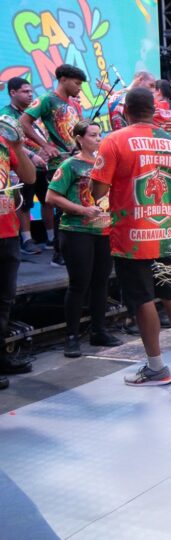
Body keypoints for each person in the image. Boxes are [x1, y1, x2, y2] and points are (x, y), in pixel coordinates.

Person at [89, 87, 171, 385]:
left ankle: (156, 367)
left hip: (132, 236)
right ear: (154, 110)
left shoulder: (114, 140)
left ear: (125, 111)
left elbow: (98, 191)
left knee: (142, 299)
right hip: (165, 233)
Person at [46, 121, 122, 357]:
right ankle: (71, 336)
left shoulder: (106, 164)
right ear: (79, 139)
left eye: (100, 134)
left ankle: (99, 331)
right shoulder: (71, 164)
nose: (98, 139)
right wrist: (82, 210)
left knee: (101, 282)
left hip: (104, 231)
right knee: (79, 284)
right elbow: (51, 197)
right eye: (93, 135)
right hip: (76, 231)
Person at [20, 64, 87, 265]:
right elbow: (23, 122)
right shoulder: (47, 99)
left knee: (76, 204)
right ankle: (59, 255)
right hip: (57, 163)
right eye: (76, 83)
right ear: (63, 79)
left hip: (75, 160)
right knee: (61, 208)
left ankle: (72, 251)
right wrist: (45, 145)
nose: (79, 88)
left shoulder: (74, 104)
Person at [0, 128, 37, 389]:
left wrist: (18, 147)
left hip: (8, 231)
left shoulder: (4, 140)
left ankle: (1, 357)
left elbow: (30, 176)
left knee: (4, 299)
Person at [0, 77, 48, 255]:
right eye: (25, 91)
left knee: (47, 199)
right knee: (24, 202)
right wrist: (32, 155)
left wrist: (46, 149)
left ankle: (51, 238)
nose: (30, 94)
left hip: (40, 165)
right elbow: (9, 140)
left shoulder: (32, 112)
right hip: (21, 163)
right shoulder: (5, 115)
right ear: (12, 93)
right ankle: (27, 239)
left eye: (30, 91)